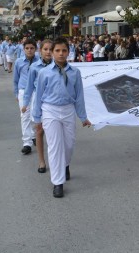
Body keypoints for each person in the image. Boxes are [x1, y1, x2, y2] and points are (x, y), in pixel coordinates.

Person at [32, 37, 91, 198]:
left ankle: (65, 165)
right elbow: (38, 96)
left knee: (69, 144)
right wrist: (37, 118)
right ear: (52, 52)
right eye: (57, 50)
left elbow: (79, 96)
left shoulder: (75, 73)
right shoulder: (44, 73)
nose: (61, 53)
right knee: (54, 146)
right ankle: (58, 182)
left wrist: (83, 117)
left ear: (68, 52)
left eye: (64, 50)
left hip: (68, 110)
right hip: (49, 110)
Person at [22, 39, 53, 173]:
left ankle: (56, 160)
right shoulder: (34, 67)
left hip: (53, 101)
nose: (48, 52)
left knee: (53, 133)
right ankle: (41, 161)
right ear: (40, 51)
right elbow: (29, 87)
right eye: (45, 49)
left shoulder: (59, 65)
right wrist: (25, 103)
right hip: (38, 100)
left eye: (51, 49)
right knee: (39, 131)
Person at [13, 39, 39, 155]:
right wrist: (16, 93)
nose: (29, 50)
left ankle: (33, 135)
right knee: (25, 116)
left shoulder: (40, 61)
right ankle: (27, 143)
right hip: (23, 91)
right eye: (27, 48)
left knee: (35, 115)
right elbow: (15, 79)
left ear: (35, 49)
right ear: (23, 49)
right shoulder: (19, 62)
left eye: (32, 48)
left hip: (36, 91)